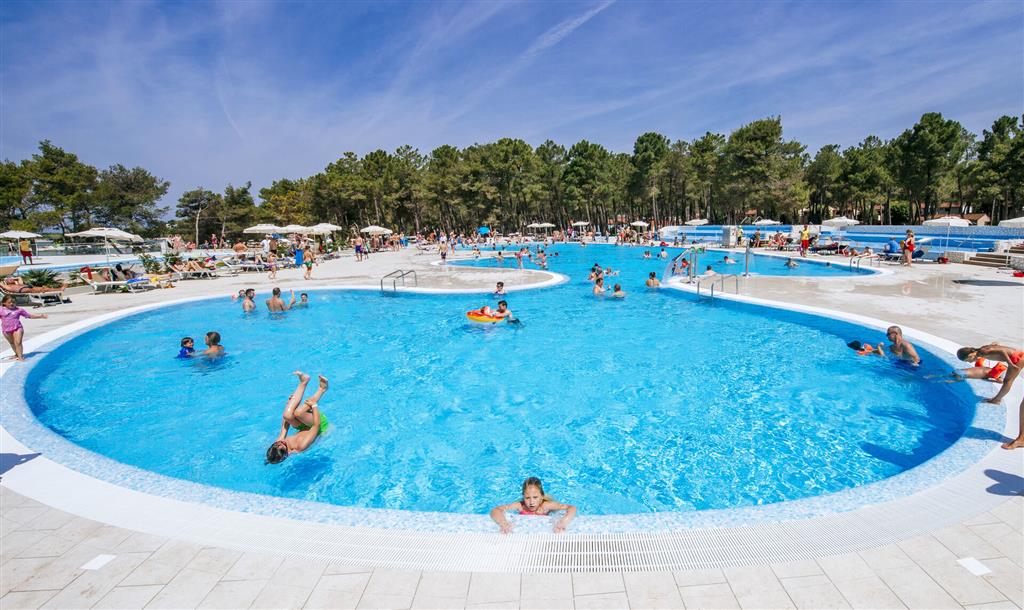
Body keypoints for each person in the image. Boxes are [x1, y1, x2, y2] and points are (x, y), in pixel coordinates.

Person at [266, 372, 330, 464]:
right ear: (287, 453)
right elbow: (316, 425)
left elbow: (285, 423)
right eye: (283, 445)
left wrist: (289, 404)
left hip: (304, 427)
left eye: (276, 444)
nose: (281, 442)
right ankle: (322, 389)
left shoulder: (278, 445)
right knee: (299, 413)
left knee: (287, 415)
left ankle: (303, 381)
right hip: (320, 425)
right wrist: (314, 406)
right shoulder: (301, 445)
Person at [489, 477, 577, 534]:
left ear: (542, 497)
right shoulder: (520, 506)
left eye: (535, 497)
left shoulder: (545, 506)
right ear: (523, 497)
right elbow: (496, 510)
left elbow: (571, 508)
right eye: (527, 498)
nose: (531, 502)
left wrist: (563, 522)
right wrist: (503, 523)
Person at [1, 295, 47, 361]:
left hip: (17, 328)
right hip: (6, 329)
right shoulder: (1, 310)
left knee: (18, 342)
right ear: (4, 303)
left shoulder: (19, 310)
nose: (12, 304)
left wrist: (41, 316)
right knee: (12, 343)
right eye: (9, 302)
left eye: (13, 302)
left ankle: (20, 357)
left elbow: (29, 316)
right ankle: (16, 354)